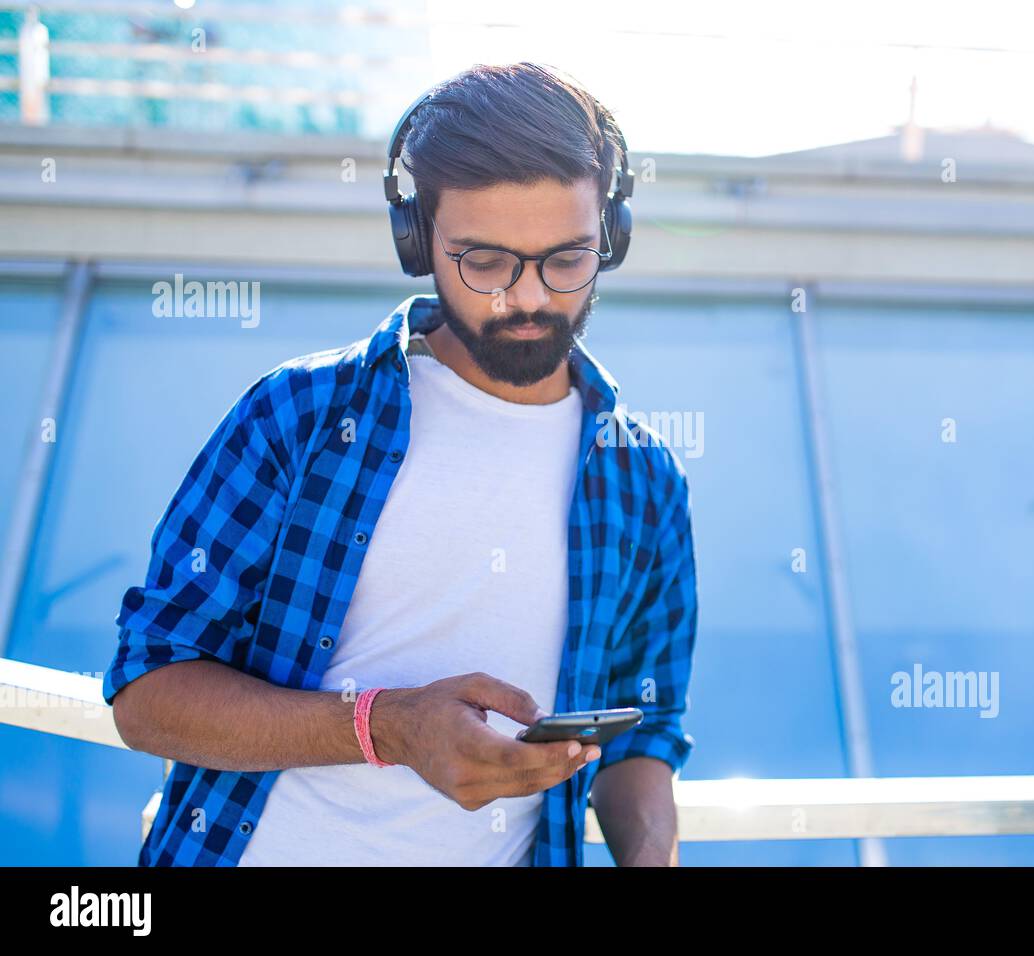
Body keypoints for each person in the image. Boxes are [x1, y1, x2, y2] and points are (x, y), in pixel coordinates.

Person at [102, 62, 698, 867]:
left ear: (612, 235)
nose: (527, 299)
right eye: (484, 262)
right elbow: (148, 695)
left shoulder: (643, 481)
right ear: (417, 240)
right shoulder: (299, 417)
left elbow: (643, 735)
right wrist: (387, 727)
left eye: (567, 259)